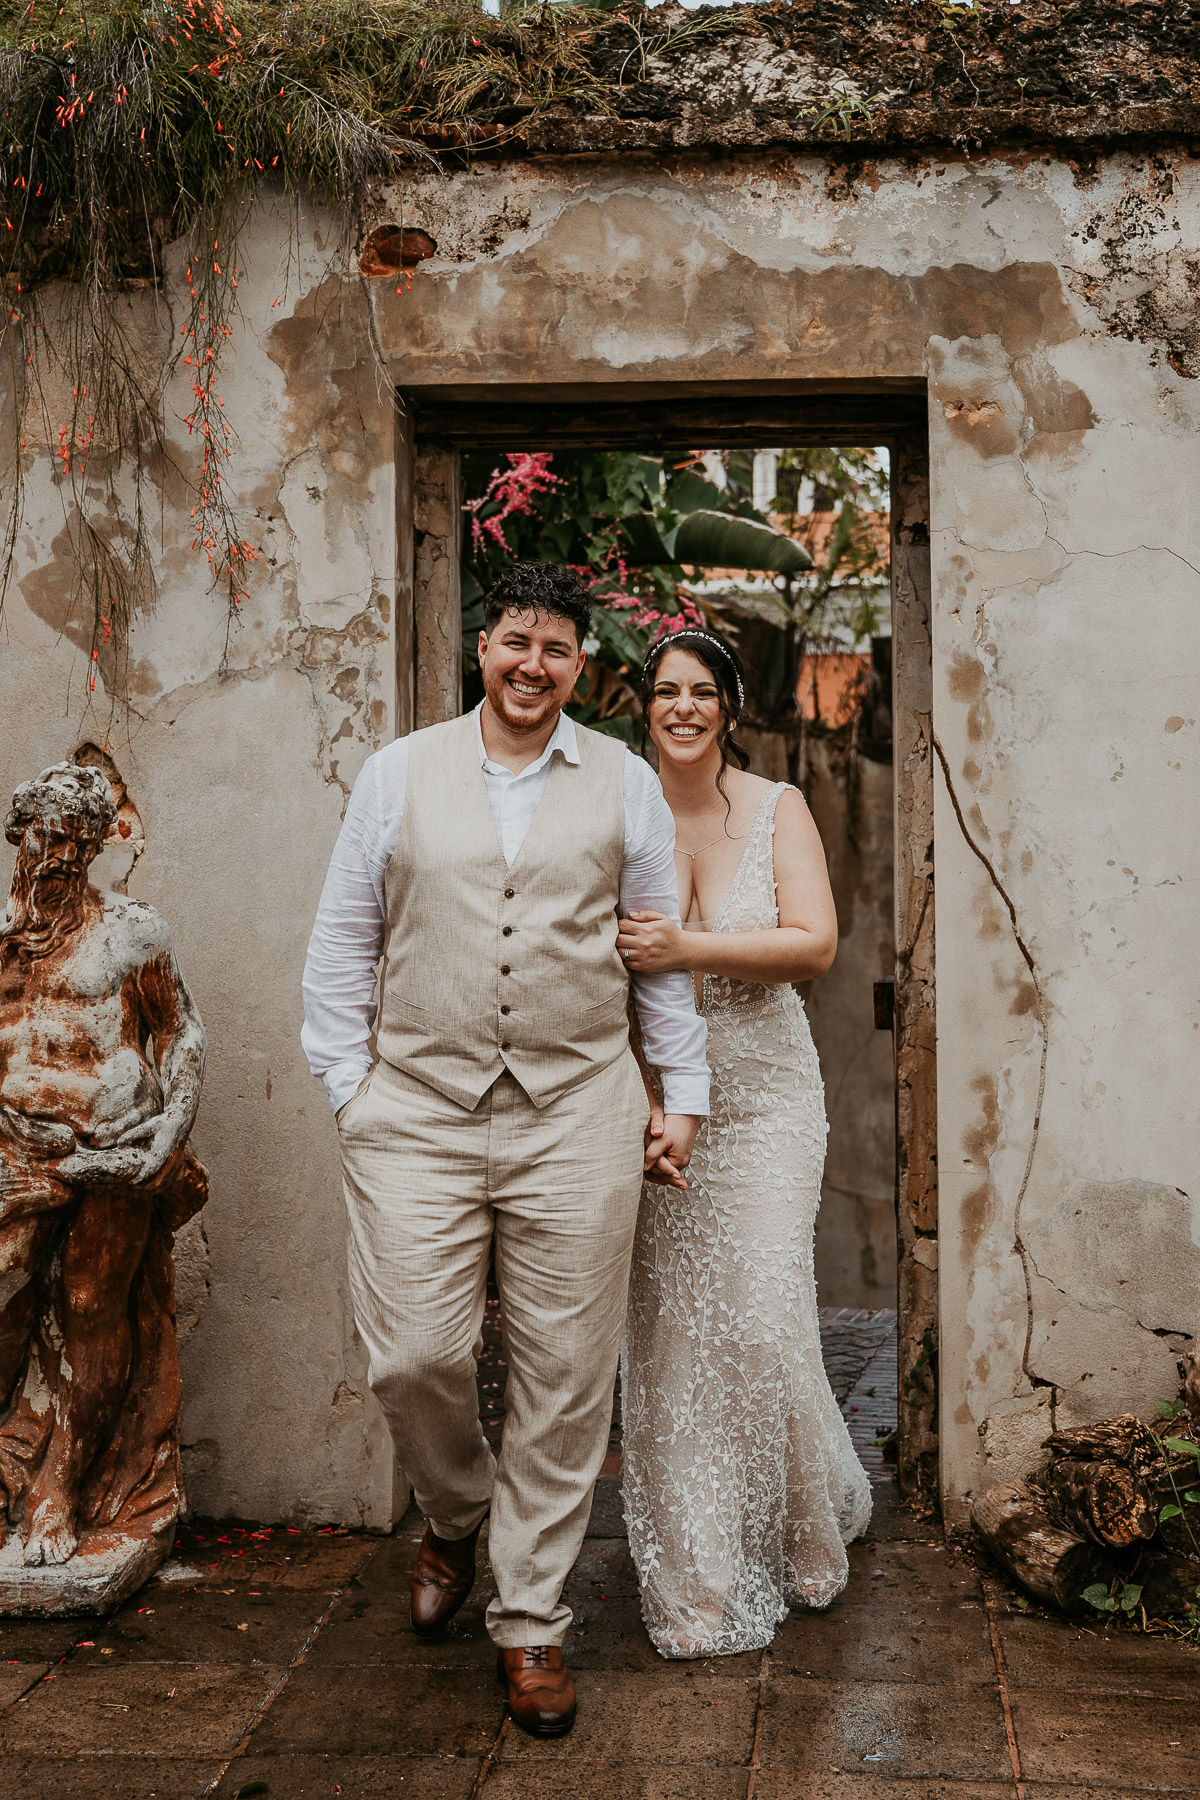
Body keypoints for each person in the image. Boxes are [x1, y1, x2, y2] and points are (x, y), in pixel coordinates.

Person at [301, 564, 708, 1735]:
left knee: (566, 1376)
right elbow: (343, 940)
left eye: (559, 649)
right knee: (412, 1354)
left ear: (583, 666)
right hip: (417, 1105)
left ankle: (531, 1624)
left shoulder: (623, 784)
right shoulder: (398, 774)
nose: (536, 665)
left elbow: (654, 956)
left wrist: (678, 1092)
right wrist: (351, 1090)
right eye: (517, 642)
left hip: (577, 1103)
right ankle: (456, 1507)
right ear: (485, 647)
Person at [617, 627, 871, 1659]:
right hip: (647, 1099)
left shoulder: (779, 808)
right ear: (645, 707)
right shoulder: (617, 810)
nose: (683, 707)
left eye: (702, 692)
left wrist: (691, 945)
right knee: (676, 1336)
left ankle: (807, 1518)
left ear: (729, 707)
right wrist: (638, 1092)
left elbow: (812, 946)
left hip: (766, 1096)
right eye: (665, 691)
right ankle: (699, 1575)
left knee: (765, 1319)